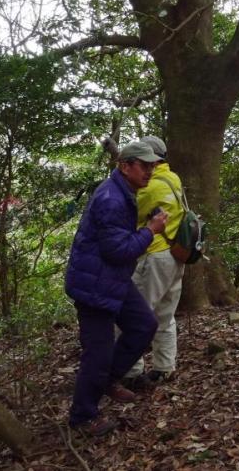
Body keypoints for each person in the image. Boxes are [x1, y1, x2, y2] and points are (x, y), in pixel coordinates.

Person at [65, 141, 169, 436]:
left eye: (152, 166)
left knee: (143, 325)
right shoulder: (111, 198)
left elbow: (117, 244)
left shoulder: (124, 192)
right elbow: (118, 251)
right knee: (97, 353)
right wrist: (151, 230)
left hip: (113, 280)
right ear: (125, 166)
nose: (150, 171)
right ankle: (82, 417)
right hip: (94, 286)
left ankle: (108, 379)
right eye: (145, 166)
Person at [122, 135, 185, 389]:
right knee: (165, 315)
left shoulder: (150, 185)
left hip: (153, 256)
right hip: (174, 254)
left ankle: (131, 371)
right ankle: (164, 367)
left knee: (135, 316)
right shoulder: (173, 178)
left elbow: (128, 208)